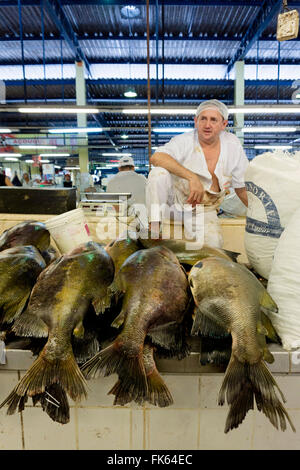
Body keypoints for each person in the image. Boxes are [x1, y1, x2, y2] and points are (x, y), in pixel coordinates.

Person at [146, 99, 249, 247]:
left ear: (224, 124)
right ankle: (154, 229)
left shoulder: (232, 145)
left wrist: (256, 214)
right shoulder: (184, 140)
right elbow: (157, 157)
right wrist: (191, 177)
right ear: (196, 121)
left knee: (214, 246)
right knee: (158, 174)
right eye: (203, 119)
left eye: (213, 120)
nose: (207, 125)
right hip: (172, 204)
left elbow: (241, 187)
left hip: (202, 209)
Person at [106, 156, 148, 228]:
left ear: (119, 168)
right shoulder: (143, 179)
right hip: (141, 221)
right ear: (133, 167)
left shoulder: (111, 182)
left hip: (120, 223)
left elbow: (109, 205)